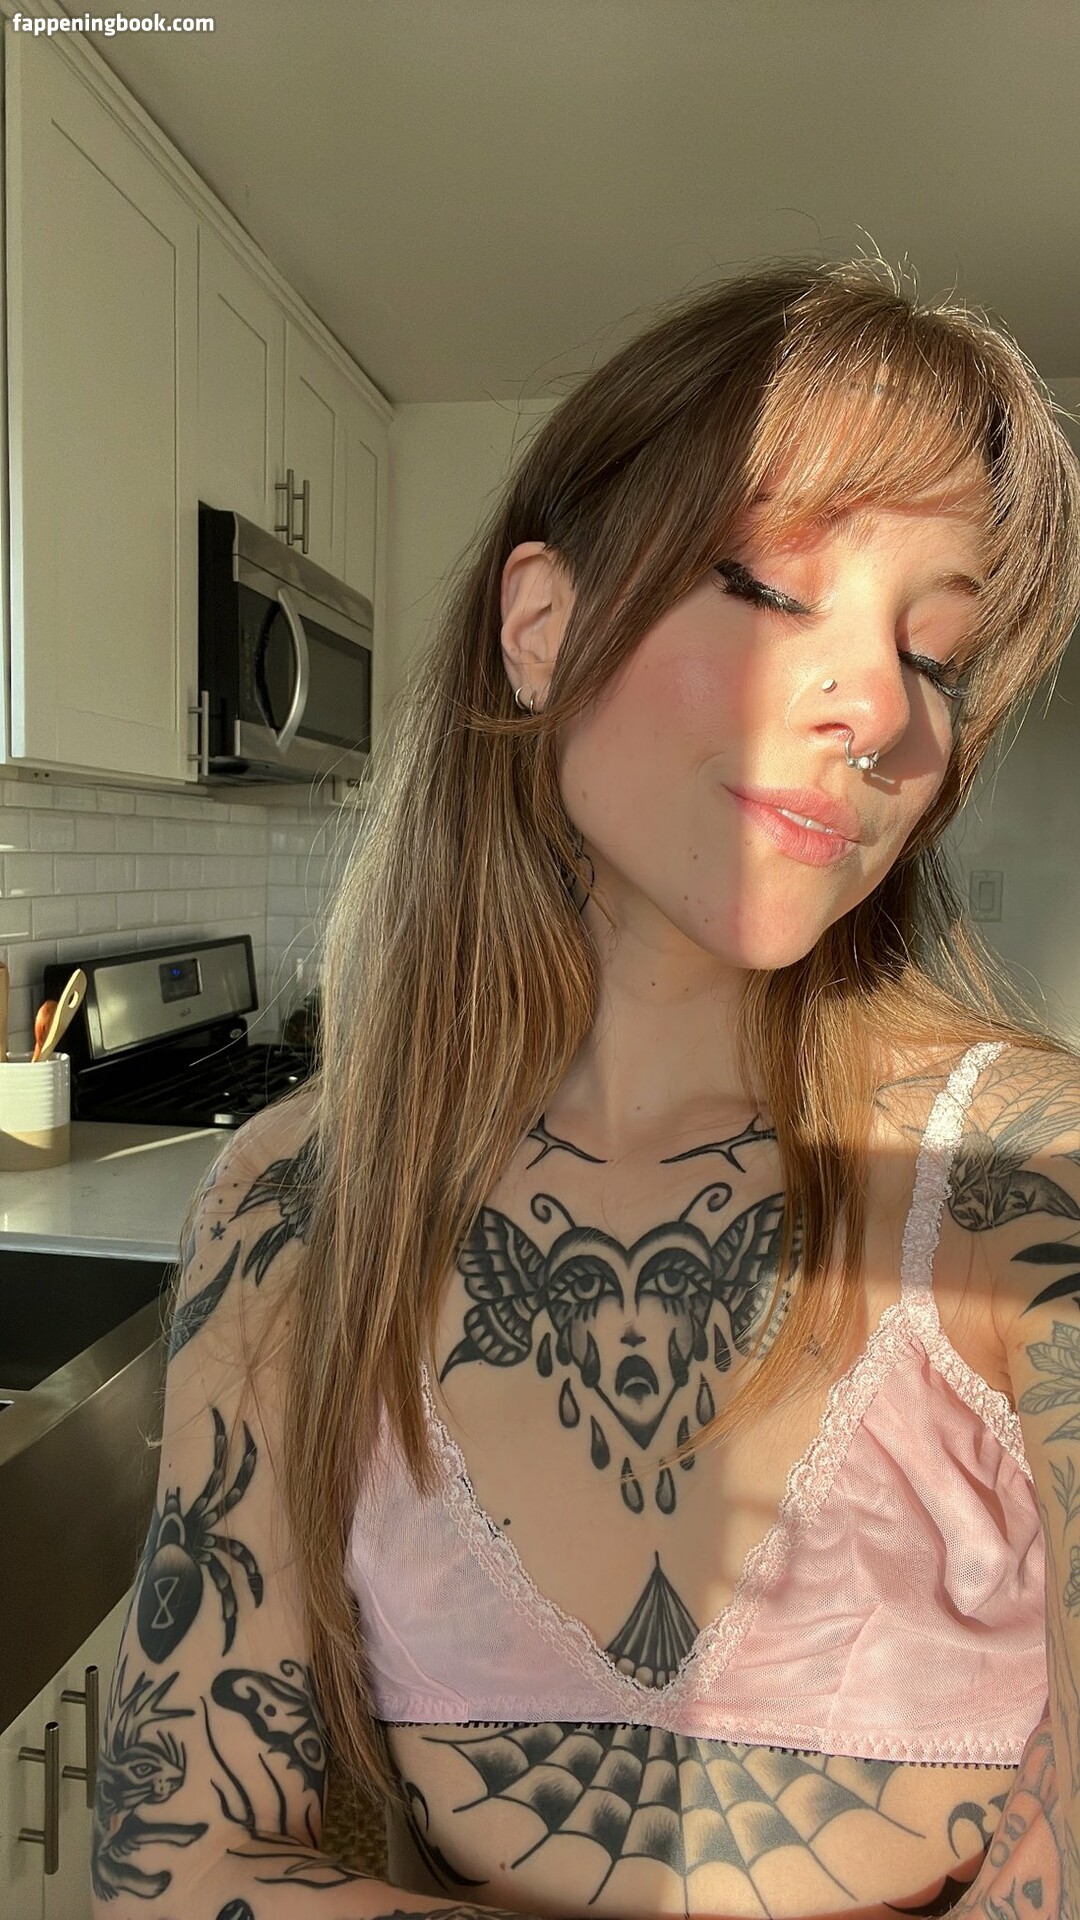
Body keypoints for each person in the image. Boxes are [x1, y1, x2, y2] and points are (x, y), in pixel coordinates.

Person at [91, 259, 1080, 1920]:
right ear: (542, 629)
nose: (880, 714)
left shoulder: (1027, 1185)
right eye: (775, 588)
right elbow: (171, 1859)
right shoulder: (294, 1207)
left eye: (940, 658)